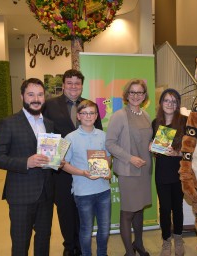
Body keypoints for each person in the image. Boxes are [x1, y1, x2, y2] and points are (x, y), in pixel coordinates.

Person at [0, 78, 55, 255]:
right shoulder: (8, 123)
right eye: (31, 94)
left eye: (40, 95)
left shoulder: (49, 124)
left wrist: (57, 161)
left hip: (46, 194)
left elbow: (50, 155)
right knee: (20, 242)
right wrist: (26, 162)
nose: (36, 99)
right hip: (21, 194)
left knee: (43, 239)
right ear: (22, 96)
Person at [43, 69, 102, 256]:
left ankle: (82, 245)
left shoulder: (88, 105)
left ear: (82, 85)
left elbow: (98, 135)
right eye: (70, 83)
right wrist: (52, 160)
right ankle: (69, 246)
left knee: (83, 209)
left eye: (77, 83)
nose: (73, 86)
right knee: (65, 208)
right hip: (60, 168)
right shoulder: (50, 105)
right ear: (64, 84)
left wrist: (98, 165)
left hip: (85, 167)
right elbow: (45, 133)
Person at [105, 79, 152, 256]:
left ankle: (138, 244)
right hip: (128, 171)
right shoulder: (119, 115)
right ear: (126, 95)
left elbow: (146, 140)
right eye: (132, 92)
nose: (136, 96)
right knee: (127, 212)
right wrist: (130, 158)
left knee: (139, 209)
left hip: (144, 171)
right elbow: (110, 143)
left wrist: (152, 145)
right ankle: (129, 253)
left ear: (144, 95)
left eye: (140, 92)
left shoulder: (146, 115)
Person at [62, 100, 111, 256]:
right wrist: (82, 172)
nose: (88, 116)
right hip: (83, 193)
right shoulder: (69, 138)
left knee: (104, 228)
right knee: (86, 229)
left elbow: (108, 158)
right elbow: (63, 164)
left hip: (104, 190)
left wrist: (107, 169)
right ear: (78, 116)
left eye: (92, 113)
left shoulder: (103, 135)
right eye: (84, 113)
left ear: (96, 116)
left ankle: (102, 253)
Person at [150, 88, 187, 256]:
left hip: (179, 170)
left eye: (173, 101)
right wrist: (151, 147)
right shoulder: (155, 123)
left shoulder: (185, 121)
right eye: (166, 100)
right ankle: (166, 240)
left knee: (177, 207)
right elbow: (154, 148)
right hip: (163, 171)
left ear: (178, 104)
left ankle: (178, 238)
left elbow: (195, 147)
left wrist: (178, 153)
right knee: (164, 208)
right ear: (161, 103)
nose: (170, 104)